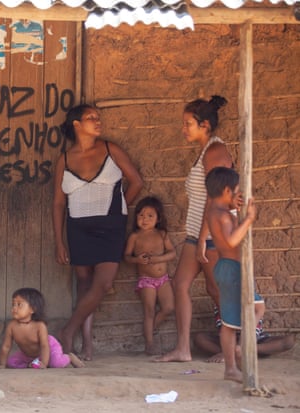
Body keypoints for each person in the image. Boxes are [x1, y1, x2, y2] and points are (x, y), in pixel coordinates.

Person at [52, 104, 143, 359]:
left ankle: (68, 330)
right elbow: (58, 203)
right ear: (77, 125)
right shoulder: (65, 159)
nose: (97, 120)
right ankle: (87, 344)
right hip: (78, 227)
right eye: (90, 118)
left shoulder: (109, 149)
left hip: (111, 226)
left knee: (103, 283)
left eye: (98, 117)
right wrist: (59, 241)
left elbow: (137, 181)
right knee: (84, 283)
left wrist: (120, 207)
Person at [155, 95, 233, 362]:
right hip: (197, 234)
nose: (184, 128)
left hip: (211, 235)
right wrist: (197, 236)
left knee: (216, 290)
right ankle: (183, 349)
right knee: (180, 284)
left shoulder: (216, 151)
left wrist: (203, 238)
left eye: (188, 123)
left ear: (206, 125)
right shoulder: (205, 151)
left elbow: (216, 199)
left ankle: (231, 349)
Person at [204, 166, 258, 382]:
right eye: (236, 191)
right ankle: (237, 353)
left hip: (228, 267)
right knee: (243, 315)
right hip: (232, 268)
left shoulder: (216, 212)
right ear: (227, 190)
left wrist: (235, 210)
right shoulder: (223, 216)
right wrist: (248, 219)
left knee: (237, 317)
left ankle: (235, 357)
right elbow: (231, 241)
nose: (238, 195)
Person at [124, 196, 175, 355]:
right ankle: (149, 343)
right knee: (149, 310)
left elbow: (172, 253)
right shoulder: (135, 236)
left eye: (150, 216)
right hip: (146, 281)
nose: (144, 219)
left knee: (168, 307)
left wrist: (157, 259)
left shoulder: (162, 234)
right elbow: (126, 257)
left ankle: (150, 329)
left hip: (163, 279)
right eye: (141, 215)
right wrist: (137, 259)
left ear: (158, 218)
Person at [0, 287, 84, 369]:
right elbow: (6, 346)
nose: (14, 308)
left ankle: (69, 357)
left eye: (19, 304)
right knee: (11, 363)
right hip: (28, 355)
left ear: (32, 309)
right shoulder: (12, 326)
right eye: (13, 304)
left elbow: (44, 346)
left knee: (56, 363)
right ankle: (33, 363)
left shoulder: (39, 326)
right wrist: (2, 364)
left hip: (50, 348)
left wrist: (44, 363)